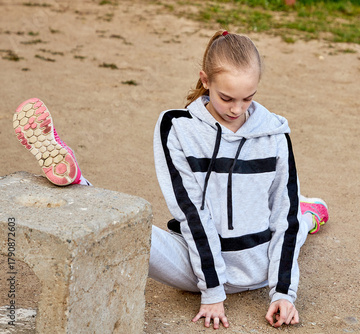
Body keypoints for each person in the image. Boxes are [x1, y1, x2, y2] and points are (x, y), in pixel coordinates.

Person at [12, 30, 329, 329]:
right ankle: (81, 185)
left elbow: (281, 218)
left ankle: (310, 214)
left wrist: (284, 294)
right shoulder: (177, 128)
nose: (238, 108)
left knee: (293, 223)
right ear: (205, 81)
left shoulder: (274, 132)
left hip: (259, 265)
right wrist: (213, 291)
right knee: (129, 233)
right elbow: (192, 213)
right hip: (195, 265)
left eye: (248, 98)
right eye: (227, 97)